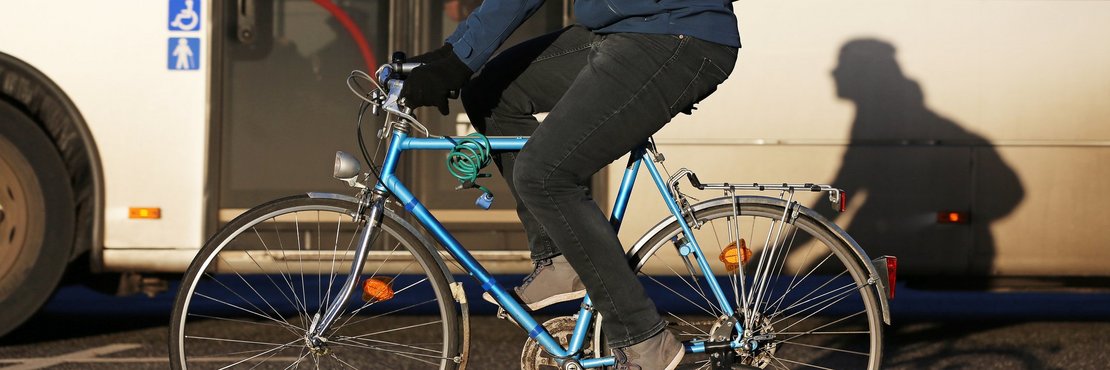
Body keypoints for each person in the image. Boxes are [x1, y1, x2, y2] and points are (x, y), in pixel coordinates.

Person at [400, 1, 739, 369]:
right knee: (489, 94)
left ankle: (645, 339)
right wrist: (452, 51)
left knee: (543, 174)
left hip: (676, 34)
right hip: (624, 28)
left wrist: (456, 62)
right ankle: (560, 259)